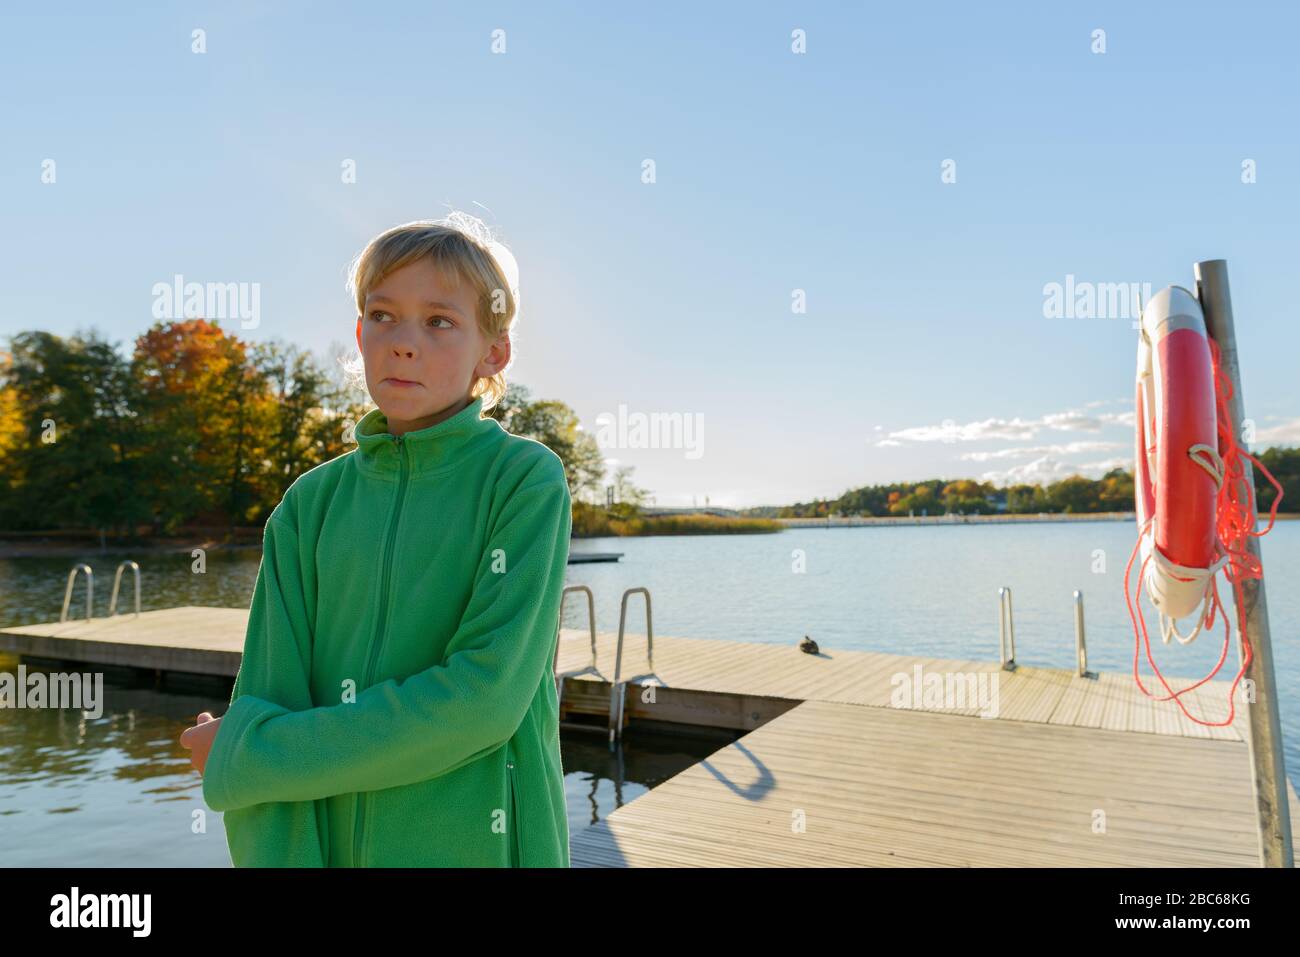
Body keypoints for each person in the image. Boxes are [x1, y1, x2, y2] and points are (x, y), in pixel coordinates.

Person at [179, 212, 572, 867]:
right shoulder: (309, 506)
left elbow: (483, 700)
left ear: (494, 352)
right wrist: (253, 754)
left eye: (440, 321)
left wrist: (251, 754)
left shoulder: (523, 480)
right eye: (383, 315)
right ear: (359, 334)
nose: (403, 342)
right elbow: (269, 696)